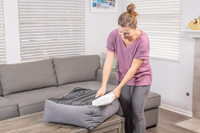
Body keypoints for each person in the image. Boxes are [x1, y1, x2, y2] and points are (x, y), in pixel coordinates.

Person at [95, 3, 152, 133]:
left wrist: (117, 89)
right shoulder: (113, 35)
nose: (122, 36)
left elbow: (133, 68)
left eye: (126, 33)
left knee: (137, 113)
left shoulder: (143, 40)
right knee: (126, 112)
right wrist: (103, 85)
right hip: (122, 76)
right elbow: (109, 62)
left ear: (135, 28)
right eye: (120, 32)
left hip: (141, 77)